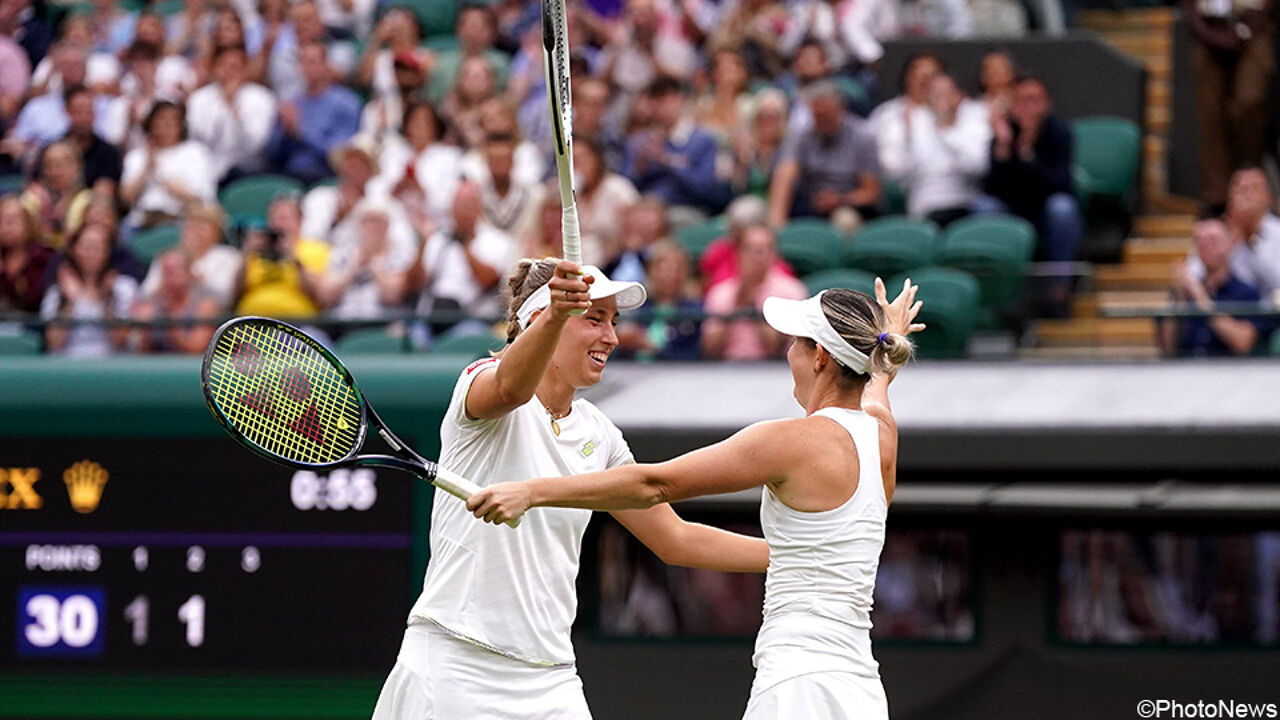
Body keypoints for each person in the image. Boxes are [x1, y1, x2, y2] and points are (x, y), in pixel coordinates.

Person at [465, 278, 926, 720]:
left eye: (795, 343)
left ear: (820, 356)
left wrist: (531, 491)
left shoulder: (789, 441)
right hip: (860, 688)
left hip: (798, 683)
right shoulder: (883, 436)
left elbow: (653, 485)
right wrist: (886, 350)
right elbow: (878, 390)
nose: (788, 354)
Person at [371, 258, 769, 720]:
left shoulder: (600, 434)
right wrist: (558, 314)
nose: (613, 337)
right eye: (595, 319)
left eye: (614, 322)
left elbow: (675, 539)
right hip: (456, 665)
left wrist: (792, 554)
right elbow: (510, 389)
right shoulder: (480, 382)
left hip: (551, 678)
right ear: (543, 318)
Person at [769, 80, 881, 227]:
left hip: (849, 204)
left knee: (845, 220)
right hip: (810, 202)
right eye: (816, 115)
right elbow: (785, 174)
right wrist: (776, 222)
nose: (820, 121)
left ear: (841, 110)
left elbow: (871, 193)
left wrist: (840, 199)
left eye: (826, 115)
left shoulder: (863, 137)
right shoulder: (803, 135)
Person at [1160, 216, 1265, 357]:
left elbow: (1243, 343)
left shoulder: (1245, 292)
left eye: (1213, 241)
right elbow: (1167, 349)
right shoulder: (1185, 291)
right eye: (1200, 242)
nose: (1206, 247)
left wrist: (1200, 297)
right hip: (1186, 371)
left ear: (1229, 244)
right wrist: (1179, 298)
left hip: (1230, 373)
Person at [702, 223, 807, 360]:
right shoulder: (720, 293)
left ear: (774, 254)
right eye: (752, 249)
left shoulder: (792, 291)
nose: (758, 257)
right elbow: (710, 350)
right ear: (739, 253)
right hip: (726, 371)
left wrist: (753, 306)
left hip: (775, 372)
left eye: (764, 249)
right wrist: (736, 304)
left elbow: (777, 350)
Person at [40, 221, 139, 357]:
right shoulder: (58, 290)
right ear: (74, 250)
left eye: (97, 247)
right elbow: (55, 343)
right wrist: (70, 302)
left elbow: (121, 341)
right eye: (86, 247)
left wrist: (107, 299)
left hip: (111, 365)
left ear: (107, 251)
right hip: (68, 366)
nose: (91, 253)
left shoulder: (124, 287)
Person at [130, 250, 222, 354]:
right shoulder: (152, 301)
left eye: (174, 271)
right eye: (166, 272)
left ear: (188, 273)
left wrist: (169, 323)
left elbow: (197, 349)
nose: (170, 278)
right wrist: (144, 331)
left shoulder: (206, 302)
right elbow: (140, 353)